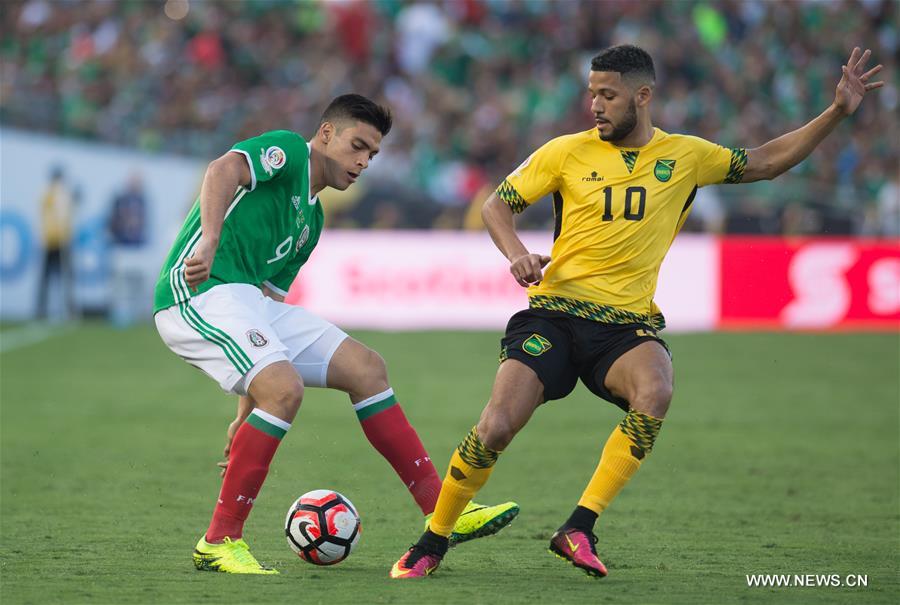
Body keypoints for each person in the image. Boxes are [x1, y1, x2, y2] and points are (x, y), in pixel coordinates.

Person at [389, 45, 884, 579]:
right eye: (592, 94)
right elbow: (495, 206)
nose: (595, 106)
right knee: (496, 427)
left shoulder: (686, 156)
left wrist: (836, 112)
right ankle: (433, 540)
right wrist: (517, 254)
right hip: (554, 313)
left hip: (625, 326)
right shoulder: (565, 152)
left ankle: (579, 526)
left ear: (642, 96)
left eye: (608, 95)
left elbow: (763, 161)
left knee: (657, 390)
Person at [152, 94, 518, 575]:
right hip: (195, 293)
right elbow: (221, 170)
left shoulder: (313, 221)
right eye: (358, 146)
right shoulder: (288, 152)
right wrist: (210, 239)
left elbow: (265, 317)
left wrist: (249, 408)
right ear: (326, 134)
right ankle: (218, 542)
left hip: (247, 302)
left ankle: (443, 510)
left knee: (366, 369)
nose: (364, 161)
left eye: (373, 154)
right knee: (286, 389)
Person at [108, 172, 149, 326]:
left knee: (138, 283)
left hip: (137, 249)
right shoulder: (120, 200)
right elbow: (112, 222)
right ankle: (119, 315)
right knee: (120, 285)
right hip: (122, 247)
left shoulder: (142, 201)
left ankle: (136, 314)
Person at [36, 165, 75, 320]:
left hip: (63, 240)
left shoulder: (63, 195)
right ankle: (41, 310)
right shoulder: (48, 194)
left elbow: (67, 215)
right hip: (50, 241)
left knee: (67, 278)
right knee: (46, 277)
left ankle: (68, 310)